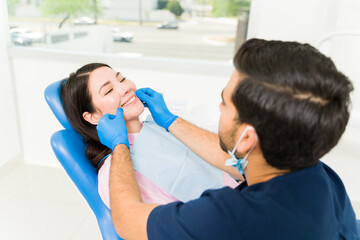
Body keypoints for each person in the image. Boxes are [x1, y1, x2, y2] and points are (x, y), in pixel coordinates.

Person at [96, 38, 359, 239]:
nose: (219, 107)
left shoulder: (228, 217)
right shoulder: (321, 176)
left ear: (247, 139)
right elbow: (235, 159)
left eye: (225, 103)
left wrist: (119, 145)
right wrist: (170, 120)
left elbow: (127, 221)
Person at [60, 63, 239, 208]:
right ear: (93, 116)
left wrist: (171, 121)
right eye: (108, 91)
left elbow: (234, 163)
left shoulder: (160, 126)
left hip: (242, 200)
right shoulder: (115, 172)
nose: (124, 88)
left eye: (121, 79)